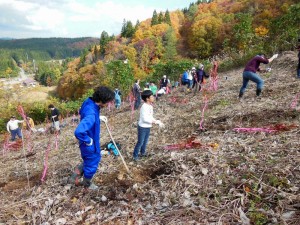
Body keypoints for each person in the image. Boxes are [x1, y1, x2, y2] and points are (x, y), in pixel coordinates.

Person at [69, 86, 115, 190]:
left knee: (88, 160)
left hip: (89, 140)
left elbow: (86, 113)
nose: (108, 104)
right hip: (89, 143)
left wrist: (97, 117)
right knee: (92, 162)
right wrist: (88, 140)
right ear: (102, 101)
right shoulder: (92, 114)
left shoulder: (89, 101)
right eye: (107, 102)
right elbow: (78, 131)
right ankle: (87, 183)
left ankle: (75, 176)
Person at [132, 90, 164, 161]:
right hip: (142, 127)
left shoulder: (150, 106)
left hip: (148, 127)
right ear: (147, 98)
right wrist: (155, 122)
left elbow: (150, 116)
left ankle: (143, 153)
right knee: (140, 142)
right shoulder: (144, 107)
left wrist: (157, 120)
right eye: (151, 96)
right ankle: (135, 156)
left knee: (145, 141)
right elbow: (144, 119)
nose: (153, 97)